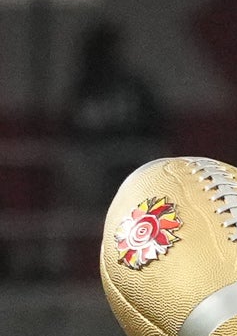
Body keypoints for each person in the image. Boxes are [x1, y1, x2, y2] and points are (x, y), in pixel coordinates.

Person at [60, 21, 169, 209]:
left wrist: (130, 139)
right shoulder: (82, 90)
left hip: (132, 150)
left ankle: (147, 211)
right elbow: (69, 131)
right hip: (93, 155)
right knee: (71, 162)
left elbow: (158, 123)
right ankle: (97, 219)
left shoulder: (134, 85)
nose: (107, 58)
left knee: (157, 158)